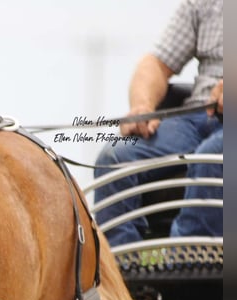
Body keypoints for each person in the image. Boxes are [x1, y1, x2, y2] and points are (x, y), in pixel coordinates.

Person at [93, 0, 223, 247]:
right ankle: (122, 272)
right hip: (196, 117)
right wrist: (142, 106)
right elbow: (156, 64)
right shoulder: (205, 4)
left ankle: (185, 266)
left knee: (212, 159)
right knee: (115, 158)